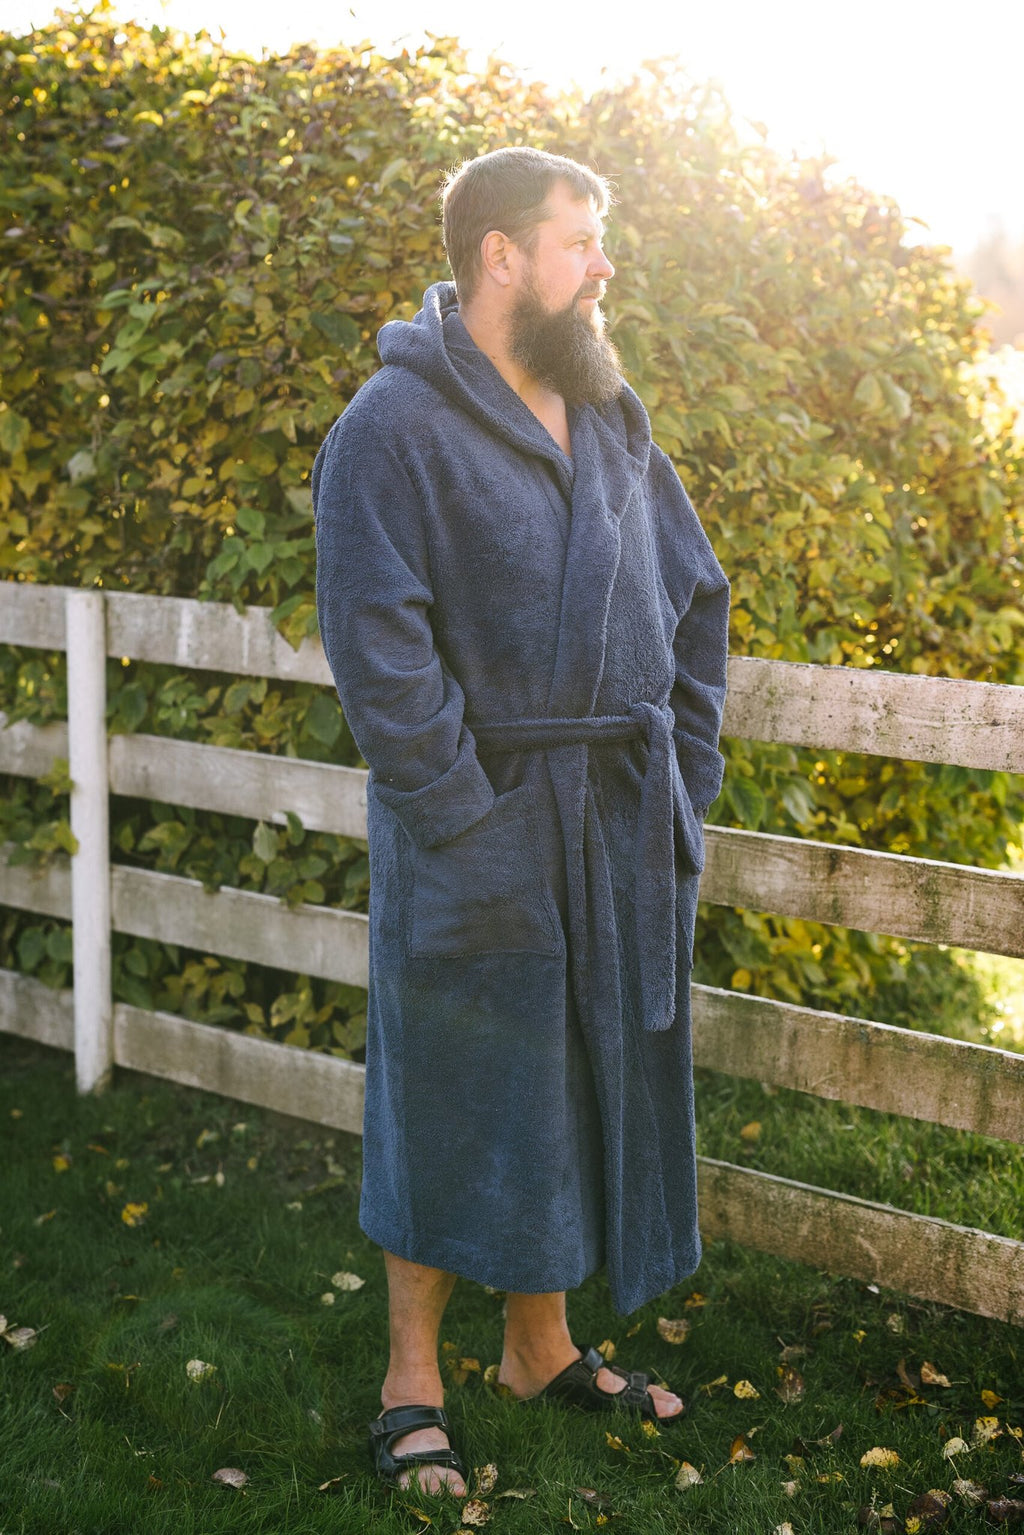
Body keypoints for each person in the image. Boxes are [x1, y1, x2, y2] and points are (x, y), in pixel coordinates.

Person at [313, 146, 730, 1496]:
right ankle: (411, 1375)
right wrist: (459, 813)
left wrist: (685, 772)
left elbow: (695, 597)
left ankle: (538, 1346)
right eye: (580, 238)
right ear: (501, 255)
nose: (603, 262)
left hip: (610, 822)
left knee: (577, 1078)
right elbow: (379, 650)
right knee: (449, 1085)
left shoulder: (607, 414)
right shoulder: (391, 429)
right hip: (475, 823)